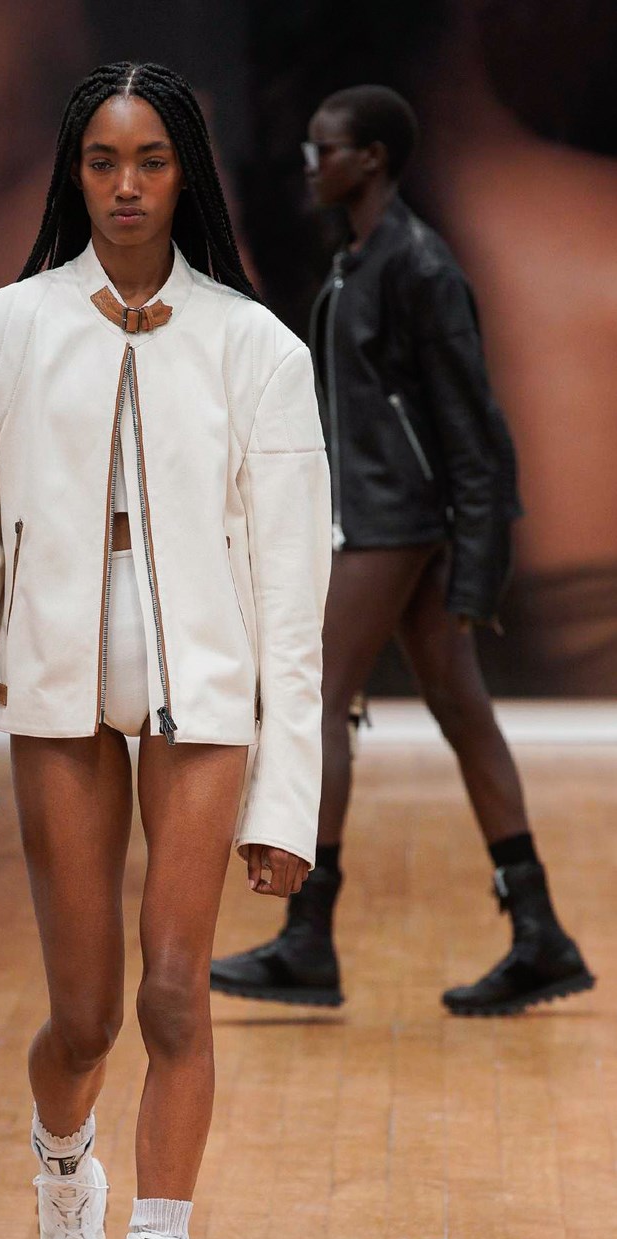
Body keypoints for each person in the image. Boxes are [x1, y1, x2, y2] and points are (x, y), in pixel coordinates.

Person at [0, 62, 331, 1239]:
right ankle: (62, 1180)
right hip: (57, 703)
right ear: (74, 174)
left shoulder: (257, 349)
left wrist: (288, 801)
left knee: (173, 994)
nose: (128, 184)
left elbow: (292, 608)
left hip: (206, 706)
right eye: (102, 160)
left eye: (150, 159)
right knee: (85, 1018)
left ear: (184, 170)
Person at [210, 85, 593, 1018]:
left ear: (371, 157)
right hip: (391, 516)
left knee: (316, 699)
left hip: (399, 522)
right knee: (459, 709)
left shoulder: (415, 265)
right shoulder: (362, 260)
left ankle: (307, 935)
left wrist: (477, 562)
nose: (311, 164)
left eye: (326, 148)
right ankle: (537, 931)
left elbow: (474, 425)